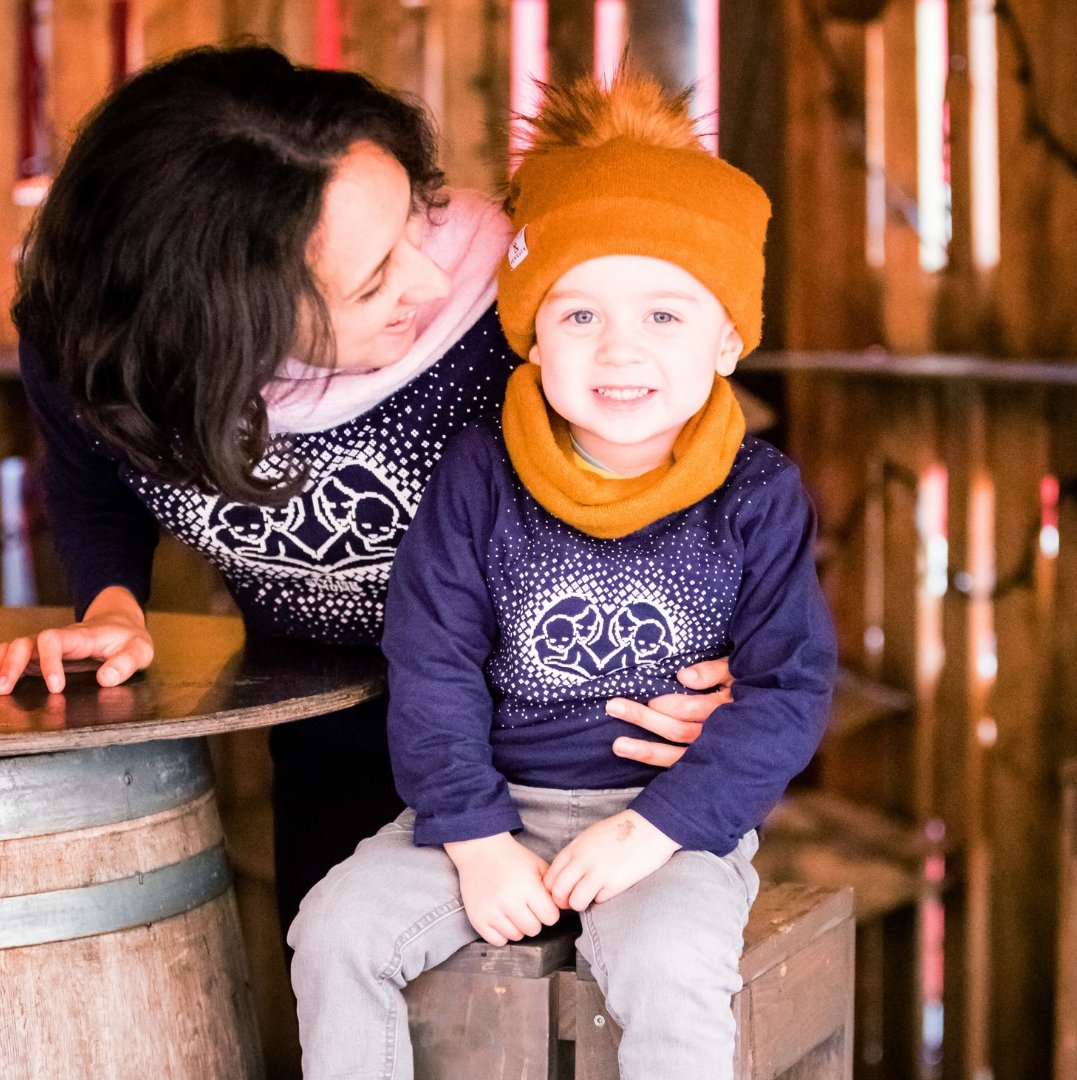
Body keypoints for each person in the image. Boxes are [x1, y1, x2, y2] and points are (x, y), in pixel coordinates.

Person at [1, 44, 733, 937]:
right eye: (375, 278)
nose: (431, 278)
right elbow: (94, 473)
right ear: (225, 323)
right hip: (332, 732)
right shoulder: (96, 348)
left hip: (569, 757)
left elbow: (703, 481)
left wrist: (732, 657)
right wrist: (114, 605)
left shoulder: (520, 313)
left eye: (418, 216)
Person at [287, 73, 837, 1079]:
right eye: (579, 315)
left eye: (665, 316)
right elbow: (432, 658)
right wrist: (473, 833)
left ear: (727, 339)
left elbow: (788, 690)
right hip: (489, 802)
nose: (620, 349)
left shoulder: (756, 496)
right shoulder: (481, 473)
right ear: (531, 335)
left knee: (669, 970)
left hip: (666, 824)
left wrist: (658, 828)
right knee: (334, 931)